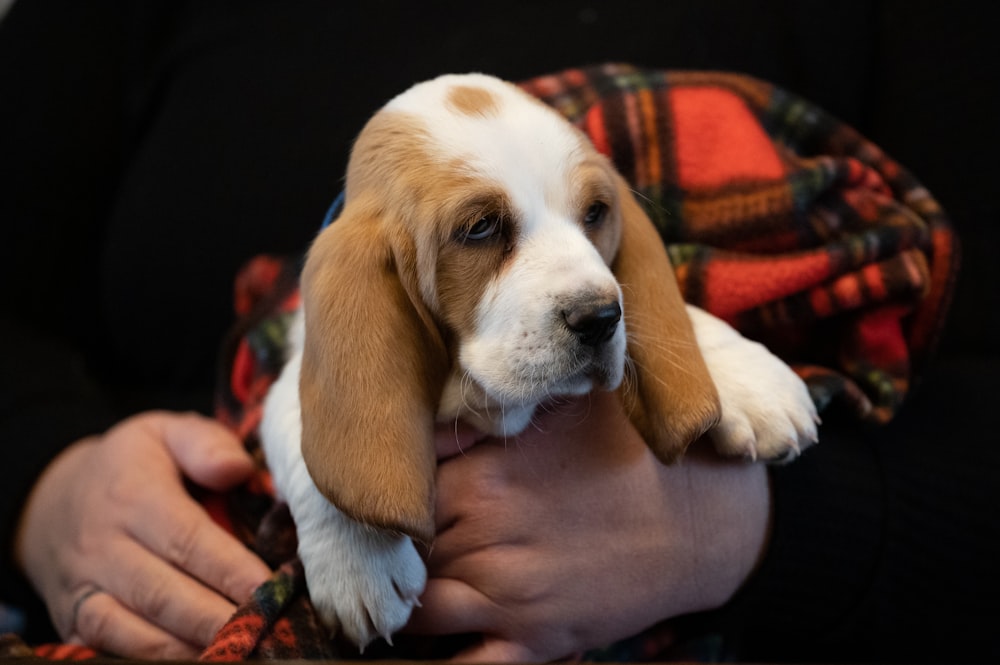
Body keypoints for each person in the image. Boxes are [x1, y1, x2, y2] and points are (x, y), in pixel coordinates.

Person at [2, 2, 997, 662]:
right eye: (483, 229)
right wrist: (41, 477)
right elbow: (305, 379)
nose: (591, 288)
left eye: (590, 217)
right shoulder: (350, 268)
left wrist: (747, 524)